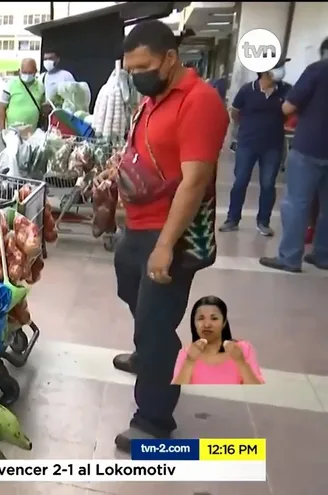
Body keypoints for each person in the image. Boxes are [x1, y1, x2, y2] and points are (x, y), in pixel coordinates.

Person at [101, 20, 229, 452]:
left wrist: (163, 247)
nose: (137, 75)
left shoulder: (199, 102)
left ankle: (153, 419)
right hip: (138, 225)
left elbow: (194, 182)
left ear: (170, 59)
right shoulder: (153, 100)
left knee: (157, 325)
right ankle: (149, 352)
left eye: (144, 66)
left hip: (170, 230)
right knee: (130, 290)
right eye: (130, 68)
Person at [260, 37, 328, 272]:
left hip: (310, 145)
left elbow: (287, 107)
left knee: (297, 203)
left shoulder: (317, 70)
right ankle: (323, 255)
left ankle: (290, 258)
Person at [219, 63, 292, 236]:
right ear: (264, 71)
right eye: (277, 67)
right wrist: (245, 128)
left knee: (268, 184)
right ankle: (232, 219)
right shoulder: (247, 90)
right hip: (247, 143)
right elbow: (235, 112)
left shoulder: (286, 90)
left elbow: (290, 110)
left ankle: (263, 222)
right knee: (240, 182)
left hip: (273, 145)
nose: (281, 71)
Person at [171, 296, 265, 385]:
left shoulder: (243, 349)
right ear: (194, 323)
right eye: (201, 318)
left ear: (224, 322)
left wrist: (241, 362)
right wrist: (189, 362)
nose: (207, 324)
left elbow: (258, 393)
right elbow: (176, 393)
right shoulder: (186, 354)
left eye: (214, 318)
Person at [0, 58, 50, 133]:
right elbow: (1, 109)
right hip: (13, 132)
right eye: (24, 72)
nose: (27, 75)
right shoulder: (10, 84)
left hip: (33, 132)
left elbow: (43, 109)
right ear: (20, 71)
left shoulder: (40, 86)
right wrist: (2, 131)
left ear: (35, 71)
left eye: (30, 72)